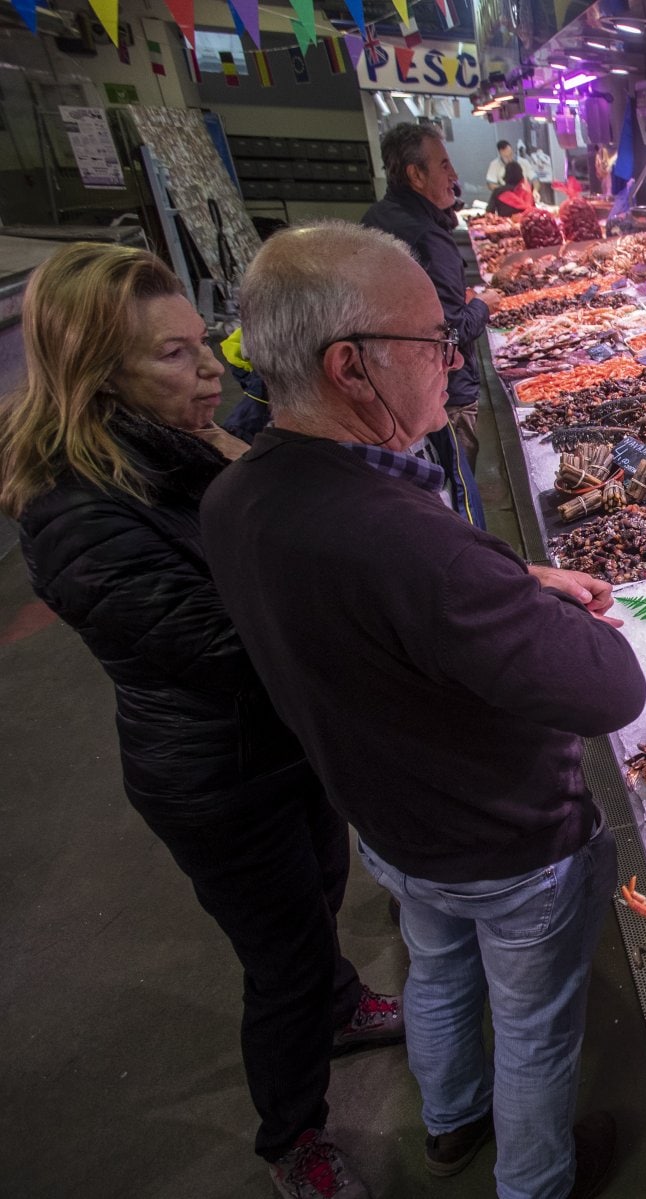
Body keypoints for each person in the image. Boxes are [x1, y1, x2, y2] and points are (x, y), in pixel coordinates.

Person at [206, 222, 646, 1199]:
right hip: (503, 842)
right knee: (535, 1025)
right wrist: (511, 595)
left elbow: (362, 608)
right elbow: (611, 688)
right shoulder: (407, 541)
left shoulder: (240, 495)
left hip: (389, 823)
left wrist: (506, 579)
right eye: (430, 341)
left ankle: (449, 1120)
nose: (452, 359)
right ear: (350, 366)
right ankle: (538, 1182)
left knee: (438, 968)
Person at [0, 243, 401, 1199]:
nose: (211, 368)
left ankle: (343, 1007)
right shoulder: (77, 514)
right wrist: (395, 618)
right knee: (281, 959)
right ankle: (291, 1135)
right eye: (172, 357)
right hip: (214, 775)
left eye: (202, 343)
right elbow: (231, 644)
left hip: (280, 744)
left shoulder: (184, 448)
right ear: (99, 375)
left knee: (321, 885)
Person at [366, 123, 490, 482]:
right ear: (415, 174)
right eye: (444, 165)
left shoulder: (378, 217)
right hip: (443, 394)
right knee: (456, 485)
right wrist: (484, 303)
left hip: (394, 389)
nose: (454, 174)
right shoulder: (426, 236)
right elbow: (452, 332)